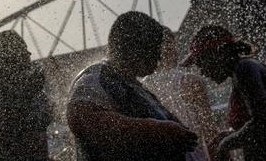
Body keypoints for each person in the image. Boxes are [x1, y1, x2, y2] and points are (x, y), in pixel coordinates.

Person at [67, 11, 199, 161]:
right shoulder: (97, 76)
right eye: (154, 48)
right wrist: (156, 130)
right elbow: (81, 117)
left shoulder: (132, 84)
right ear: (134, 48)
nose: (158, 57)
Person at [181, 25, 266, 161]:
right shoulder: (244, 69)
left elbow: (263, 123)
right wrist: (231, 134)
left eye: (200, 62)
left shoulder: (244, 70)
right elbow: (262, 120)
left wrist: (225, 144)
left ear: (218, 53)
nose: (201, 72)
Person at [143, 26, 218, 160]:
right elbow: (209, 132)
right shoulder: (190, 81)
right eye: (173, 46)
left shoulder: (140, 87)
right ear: (169, 49)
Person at [0, 30, 53, 161]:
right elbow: (7, 134)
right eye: (23, 49)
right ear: (9, 56)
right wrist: (27, 94)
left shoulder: (34, 89)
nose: (29, 54)